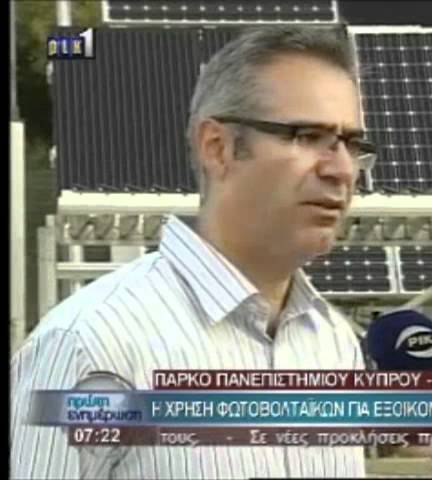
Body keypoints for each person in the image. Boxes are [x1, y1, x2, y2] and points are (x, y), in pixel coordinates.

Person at [11, 25, 373, 479]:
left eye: (352, 144)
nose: (342, 169)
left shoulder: (333, 343)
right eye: (307, 135)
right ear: (217, 148)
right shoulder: (90, 344)